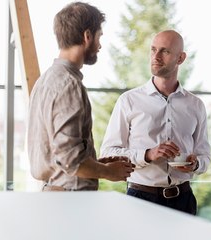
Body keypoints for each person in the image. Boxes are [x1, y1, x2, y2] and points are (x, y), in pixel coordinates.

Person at [100, 30, 211, 215]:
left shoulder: (195, 105)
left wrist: (195, 164)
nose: (156, 57)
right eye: (153, 50)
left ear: (181, 58)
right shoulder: (128, 101)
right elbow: (108, 153)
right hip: (140, 199)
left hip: (184, 201)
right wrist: (147, 155)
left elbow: (205, 155)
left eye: (165, 51)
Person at [27, 2, 134, 191]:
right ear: (87, 36)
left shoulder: (45, 80)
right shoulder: (68, 85)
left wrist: (95, 163)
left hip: (55, 192)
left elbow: (59, 154)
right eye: (99, 36)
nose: (100, 45)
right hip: (70, 200)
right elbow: (70, 160)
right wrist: (110, 172)